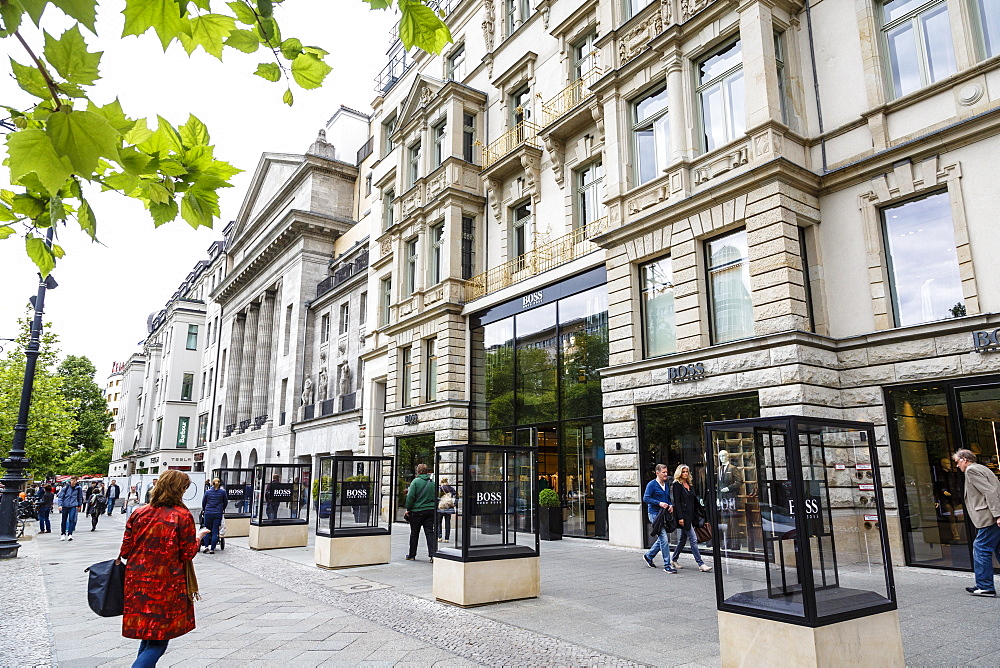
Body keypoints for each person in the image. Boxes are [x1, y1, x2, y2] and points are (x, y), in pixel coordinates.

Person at [119, 470, 210, 667]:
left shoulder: (139, 513)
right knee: (159, 640)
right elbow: (186, 554)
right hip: (166, 583)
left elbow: (125, 551)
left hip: (137, 581)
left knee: (149, 634)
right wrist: (198, 538)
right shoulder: (182, 515)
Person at [953, 449, 1000, 597]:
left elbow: (990, 492)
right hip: (991, 515)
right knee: (998, 548)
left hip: (989, 517)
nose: (957, 465)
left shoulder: (972, 471)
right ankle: (984, 585)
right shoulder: (982, 468)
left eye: (957, 462)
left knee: (980, 547)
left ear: (965, 460)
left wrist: (998, 514)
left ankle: (985, 586)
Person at [670, 464, 712, 572]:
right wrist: (680, 517)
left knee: (683, 540)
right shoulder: (677, 485)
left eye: (686, 472)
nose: (685, 474)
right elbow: (677, 503)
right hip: (684, 517)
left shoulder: (688, 484)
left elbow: (693, 500)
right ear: (679, 473)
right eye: (683, 472)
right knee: (693, 539)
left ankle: (674, 559)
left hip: (692, 516)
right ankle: (701, 563)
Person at [642, 464, 676, 573]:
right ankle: (667, 565)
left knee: (662, 538)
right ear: (657, 473)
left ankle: (649, 556)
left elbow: (668, 498)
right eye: (664, 472)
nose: (666, 474)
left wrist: (670, 505)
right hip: (654, 514)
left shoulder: (666, 485)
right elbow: (646, 498)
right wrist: (659, 503)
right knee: (664, 539)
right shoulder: (651, 484)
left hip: (663, 515)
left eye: (666, 472)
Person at [404, 463, 437, 562]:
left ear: (418, 471)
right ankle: (432, 555)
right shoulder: (432, 482)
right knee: (429, 533)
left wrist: (408, 509)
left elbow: (410, 497)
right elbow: (435, 496)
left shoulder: (415, 482)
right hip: (430, 511)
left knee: (414, 534)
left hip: (416, 512)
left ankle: (412, 555)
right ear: (427, 471)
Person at [201, 478, 227, 554]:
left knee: (207, 530)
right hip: (218, 513)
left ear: (212, 483)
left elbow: (204, 502)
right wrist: (221, 509)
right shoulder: (223, 492)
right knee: (215, 531)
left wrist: (205, 510)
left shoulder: (208, 492)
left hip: (208, 513)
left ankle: (206, 547)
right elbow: (225, 502)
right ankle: (212, 548)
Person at [56, 476, 85, 541]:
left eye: (74, 480)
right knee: (64, 520)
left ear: (76, 481)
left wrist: (79, 505)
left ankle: (70, 534)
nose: (73, 482)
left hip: (73, 506)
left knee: (72, 519)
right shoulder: (65, 488)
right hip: (65, 506)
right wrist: (60, 505)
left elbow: (80, 497)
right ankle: (63, 534)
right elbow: (60, 497)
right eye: (72, 480)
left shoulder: (78, 488)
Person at [436, 477, 456, 542]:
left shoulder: (440, 488)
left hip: (441, 508)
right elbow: (457, 496)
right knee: (448, 523)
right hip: (449, 508)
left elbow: (437, 497)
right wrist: (454, 504)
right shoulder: (451, 488)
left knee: (439, 522)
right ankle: (447, 538)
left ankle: (440, 537)